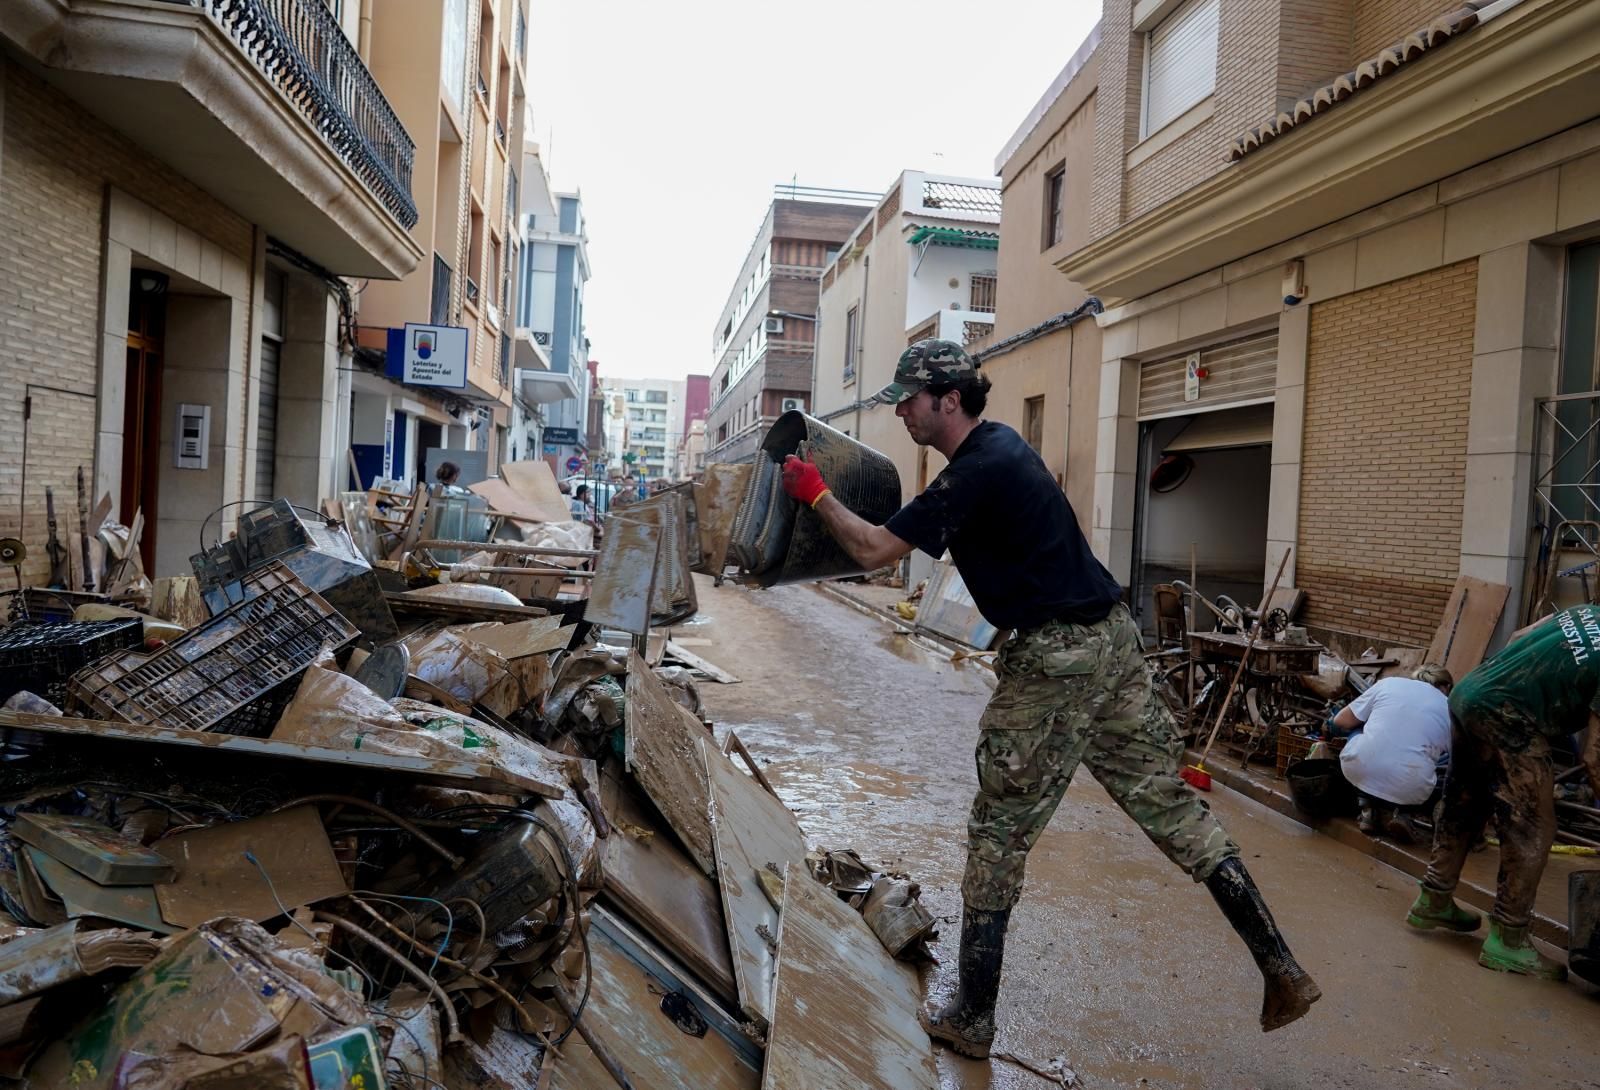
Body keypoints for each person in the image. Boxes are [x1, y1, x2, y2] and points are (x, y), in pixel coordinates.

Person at [779, 339, 1320, 1058]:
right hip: (1111, 644)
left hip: (1058, 658)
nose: (902, 408)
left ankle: (972, 1017)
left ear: (949, 398)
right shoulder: (1002, 448)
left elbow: (876, 551)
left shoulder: (975, 472)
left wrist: (815, 493)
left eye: (910, 397)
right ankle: (1281, 966)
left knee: (998, 832)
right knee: (1171, 808)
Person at [1406, 606, 1600, 980]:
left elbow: (1517, 637)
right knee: (1532, 826)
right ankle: (1508, 940)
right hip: (1508, 715)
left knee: (1465, 801)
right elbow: (1594, 758)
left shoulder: (1587, 612)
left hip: (1471, 690)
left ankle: (1434, 897)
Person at [1330, 664, 1453, 842]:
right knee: (1440, 762)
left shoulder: (1388, 684)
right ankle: (1403, 813)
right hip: (1412, 787)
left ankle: (1367, 807)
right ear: (1447, 687)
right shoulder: (1449, 707)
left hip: (1357, 771)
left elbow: (1340, 720)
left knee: (1358, 727)